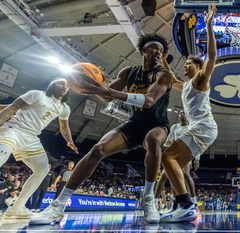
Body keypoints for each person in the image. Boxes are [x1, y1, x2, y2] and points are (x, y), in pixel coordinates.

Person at [30, 34, 173, 224]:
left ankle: (148, 199)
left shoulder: (164, 74)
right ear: (143, 50)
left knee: (153, 140)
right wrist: (94, 86)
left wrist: (106, 91)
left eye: (161, 51)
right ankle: (58, 205)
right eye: (155, 48)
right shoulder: (128, 72)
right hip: (134, 123)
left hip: (157, 124)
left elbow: (148, 101)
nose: (158, 53)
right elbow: (106, 96)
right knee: (97, 150)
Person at [160, 4, 218, 222]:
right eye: (184, 64)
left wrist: (210, 25)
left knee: (168, 157)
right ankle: (180, 205)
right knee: (171, 165)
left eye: (188, 64)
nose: (184, 67)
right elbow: (172, 79)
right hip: (198, 128)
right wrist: (165, 62)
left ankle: (186, 204)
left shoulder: (201, 80)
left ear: (197, 66)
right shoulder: (185, 85)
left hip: (203, 127)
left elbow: (212, 57)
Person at [0, 79, 78, 219]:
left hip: (32, 138)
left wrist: (69, 141)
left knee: (43, 169)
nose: (65, 87)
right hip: (14, 129)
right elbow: (12, 108)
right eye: (61, 84)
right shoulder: (37, 94)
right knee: (2, 155)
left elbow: (64, 127)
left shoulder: (64, 108)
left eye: (67, 86)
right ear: (53, 85)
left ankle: (16, 208)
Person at [155, 110, 199, 211]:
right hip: (174, 154)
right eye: (180, 113)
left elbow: (196, 144)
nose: (182, 114)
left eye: (184, 112)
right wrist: (168, 143)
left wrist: (197, 158)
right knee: (164, 177)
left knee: (186, 175)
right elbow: (168, 141)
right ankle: (155, 202)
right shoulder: (175, 127)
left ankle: (194, 201)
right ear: (178, 116)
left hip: (185, 154)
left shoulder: (191, 128)